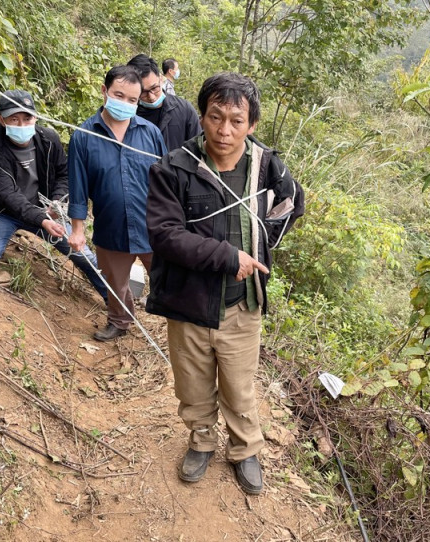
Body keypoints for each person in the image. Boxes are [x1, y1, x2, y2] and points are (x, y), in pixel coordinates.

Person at [146, 73, 305, 495]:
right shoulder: (174, 168)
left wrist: (265, 244)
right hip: (189, 302)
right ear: (202, 117)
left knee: (239, 385)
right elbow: (164, 235)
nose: (224, 130)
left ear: (252, 124)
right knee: (192, 384)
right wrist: (228, 256)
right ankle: (201, 441)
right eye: (216, 117)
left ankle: (244, 449)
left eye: (236, 120)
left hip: (241, 305)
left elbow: (293, 203)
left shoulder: (268, 165)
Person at [0, 90, 108, 302]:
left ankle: (115, 301)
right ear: (1, 120)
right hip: (3, 212)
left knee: (83, 255)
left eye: (27, 118)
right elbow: (7, 193)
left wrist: (57, 202)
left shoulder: (48, 139)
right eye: (14, 119)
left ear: (35, 117)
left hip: (45, 211)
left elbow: (64, 174)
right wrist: (40, 219)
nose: (22, 125)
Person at [67, 66, 166, 341]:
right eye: (118, 95)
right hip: (112, 227)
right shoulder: (84, 137)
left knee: (167, 277)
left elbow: (167, 180)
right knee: (115, 281)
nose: (125, 104)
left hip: (153, 226)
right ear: (104, 91)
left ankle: (176, 324)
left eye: (132, 100)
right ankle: (120, 321)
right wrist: (77, 230)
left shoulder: (151, 133)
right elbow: (78, 187)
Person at [127, 54, 201, 151]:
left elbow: (198, 150)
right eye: (143, 92)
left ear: (161, 79)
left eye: (154, 88)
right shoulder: (129, 115)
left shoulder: (184, 110)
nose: (151, 97)